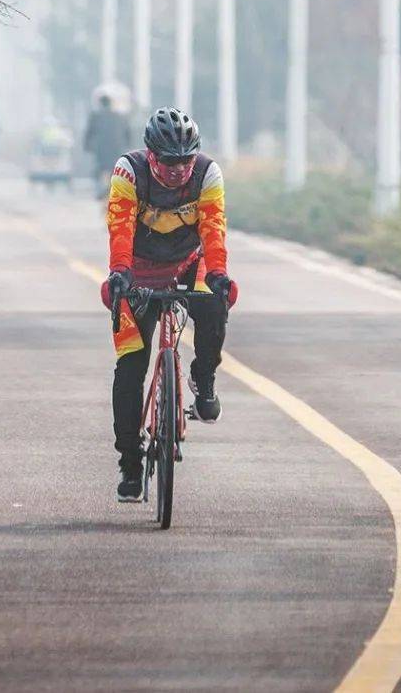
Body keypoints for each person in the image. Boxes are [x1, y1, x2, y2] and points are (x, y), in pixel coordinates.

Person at [103, 106, 238, 503]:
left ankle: (204, 377)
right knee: (130, 368)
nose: (179, 169)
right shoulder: (128, 171)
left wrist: (218, 274)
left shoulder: (208, 174)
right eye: (169, 161)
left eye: (185, 160)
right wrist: (120, 274)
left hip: (188, 265)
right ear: (151, 155)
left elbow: (214, 229)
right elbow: (120, 227)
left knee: (214, 305)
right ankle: (130, 463)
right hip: (139, 271)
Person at [83, 91, 130, 195]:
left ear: (100, 103)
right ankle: (113, 189)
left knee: (98, 169)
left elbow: (89, 132)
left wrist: (87, 146)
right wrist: (126, 146)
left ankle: (99, 190)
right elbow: (127, 133)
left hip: (101, 148)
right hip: (116, 148)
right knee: (114, 168)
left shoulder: (95, 116)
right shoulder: (119, 116)